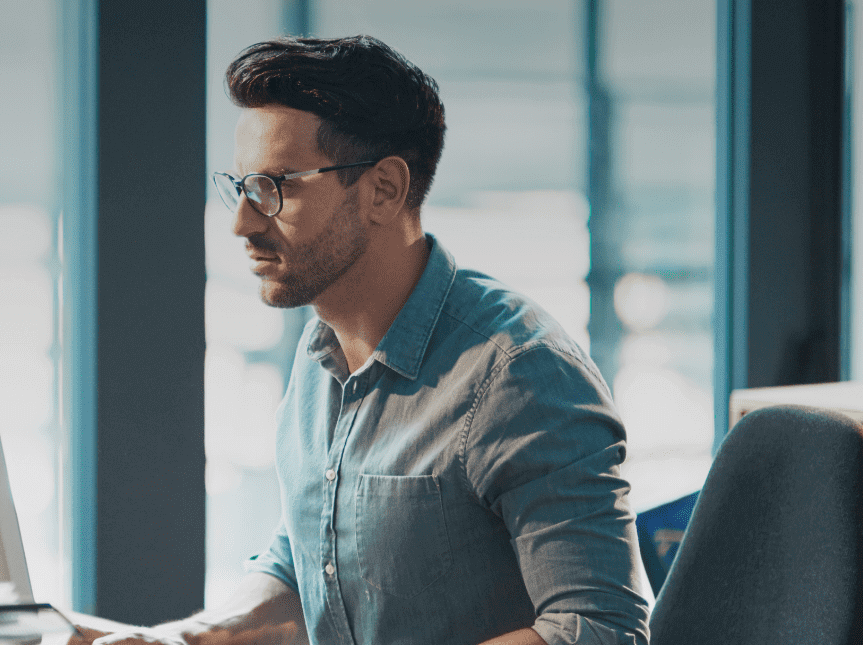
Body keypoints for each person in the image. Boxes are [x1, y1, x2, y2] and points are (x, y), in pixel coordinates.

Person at [76, 36, 648, 645]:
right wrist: (186, 639)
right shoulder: (318, 348)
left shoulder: (520, 375)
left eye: (276, 186)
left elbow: (598, 630)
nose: (243, 221)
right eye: (242, 186)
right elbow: (310, 556)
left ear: (383, 190)